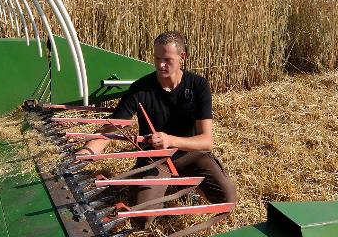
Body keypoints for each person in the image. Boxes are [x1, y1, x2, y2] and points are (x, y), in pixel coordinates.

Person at [75, 31, 237, 226]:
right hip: (154, 160)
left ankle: (191, 184)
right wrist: (83, 156)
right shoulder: (140, 89)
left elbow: (206, 141)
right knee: (143, 219)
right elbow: (111, 129)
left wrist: (170, 140)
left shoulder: (198, 86)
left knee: (227, 200)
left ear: (182, 57)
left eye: (167, 59)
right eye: (157, 58)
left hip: (190, 155)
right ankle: (150, 182)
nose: (161, 65)